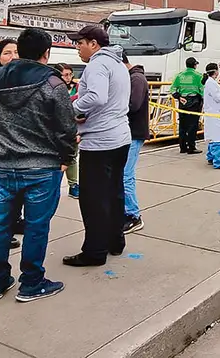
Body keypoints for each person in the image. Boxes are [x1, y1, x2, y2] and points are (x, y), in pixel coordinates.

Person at [0, 28, 76, 302]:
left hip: (3, 164)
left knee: (0, 225)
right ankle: (32, 283)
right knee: (37, 226)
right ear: (46, 53)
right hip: (42, 166)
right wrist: (66, 157)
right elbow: (66, 127)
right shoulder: (53, 84)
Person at [63, 25, 131, 268]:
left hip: (100, 141)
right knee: (114, 192)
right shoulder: (118, 64)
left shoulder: (97, 64)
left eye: (79, 43)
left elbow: (98, 97)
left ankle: (94, 251)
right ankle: (115, 241)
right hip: (120, 138)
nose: (77, 47)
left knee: (93, 198)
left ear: (93, 43)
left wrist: (72, 110)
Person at [0, 39, 23, 248]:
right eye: (7, 53)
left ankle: (15, 222)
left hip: (20, 145)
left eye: (16, 52)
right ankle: (4, 231)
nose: (13, 56)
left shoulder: (24, 79)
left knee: (19, 190)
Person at [123, 53, 148, 234]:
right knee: (123, 174)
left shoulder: (137, 79)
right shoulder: (132, 78)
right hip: (128, 133)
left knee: (126, 175)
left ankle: (133, 215)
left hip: (134, 132)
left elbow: (134, 105)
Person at [54, 62, 80, 198]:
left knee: (72, 157)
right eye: (65, 75)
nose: (68, 77)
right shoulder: (54, 88)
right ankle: (54, 185)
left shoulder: (78, 88)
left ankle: (73, 185)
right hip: (57, 129)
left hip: (74, 127)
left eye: (70, 74)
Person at [170, 57, 203, 154]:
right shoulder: (198, 76)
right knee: (193, 125)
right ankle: (191, 147)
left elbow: (172, 89)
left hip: (182, 101)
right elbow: (202, 90)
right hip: (194, 102)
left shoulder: (179, 76)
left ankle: (182, 147)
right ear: (194, 65)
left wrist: (179, 96)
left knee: (183, 125)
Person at [202, 63, 220, 170]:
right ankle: (219, 162)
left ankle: (211, 157)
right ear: (216, 72)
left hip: (213, 114)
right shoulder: (211, 83)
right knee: (217, 138)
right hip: (215, 115)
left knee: (212, 137)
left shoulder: (211, 83)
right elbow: (218, 97)